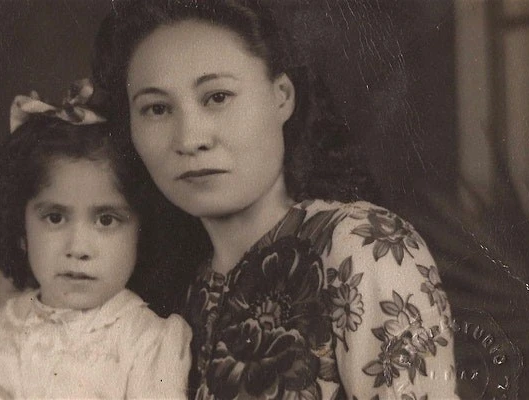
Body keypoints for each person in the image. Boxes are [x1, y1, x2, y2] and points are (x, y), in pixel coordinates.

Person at [91, 1, 458, 399]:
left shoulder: (362, 246)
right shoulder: (181, 291)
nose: (189, 139)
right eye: (156, 109)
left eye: (217, 97)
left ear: (282, 96)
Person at [0, 85, 191, 399]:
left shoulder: (147, 346)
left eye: (106, 220)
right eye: (55, 218)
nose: (78, 249)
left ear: (142, 231)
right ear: (21, 228)